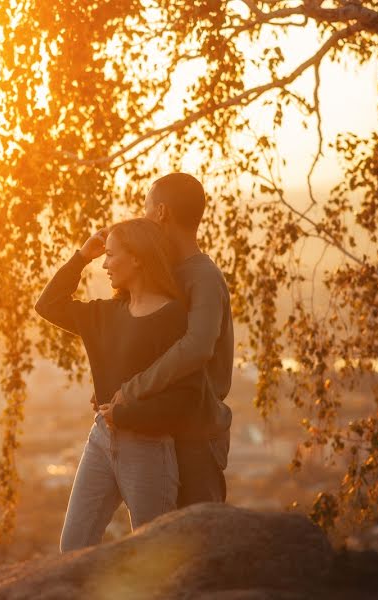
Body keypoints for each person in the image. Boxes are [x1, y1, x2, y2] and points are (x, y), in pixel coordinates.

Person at [35, 217, 206, 552]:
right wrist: (81, 256)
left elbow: (188, 398)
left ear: (138, 258)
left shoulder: (172, 318)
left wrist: (126, 415)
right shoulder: (106, 315)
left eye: (111, 255)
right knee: (73, 548)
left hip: (149, 449)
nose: (104, 263)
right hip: (101, 440)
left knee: (151, 553)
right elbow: (48, 305)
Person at [109, 172, 234, 506]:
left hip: (197, 432)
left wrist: (132, 390)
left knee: (199, 536)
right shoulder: (168, 275)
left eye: (146, 207)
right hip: (164, 425)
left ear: (161, 213)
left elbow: (196, 348)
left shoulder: (202, 276)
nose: (143, 215)